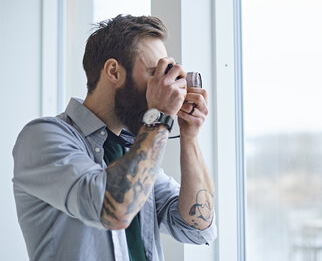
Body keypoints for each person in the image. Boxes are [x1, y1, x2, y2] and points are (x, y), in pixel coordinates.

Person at [12, 15, 217, 261]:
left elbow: (197, 226)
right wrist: (160, 115)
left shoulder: (134, 149)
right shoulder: (43, 137)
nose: (164, 86)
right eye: (155, 73)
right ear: (113, 72)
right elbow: (113, 210)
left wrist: (189, 136)